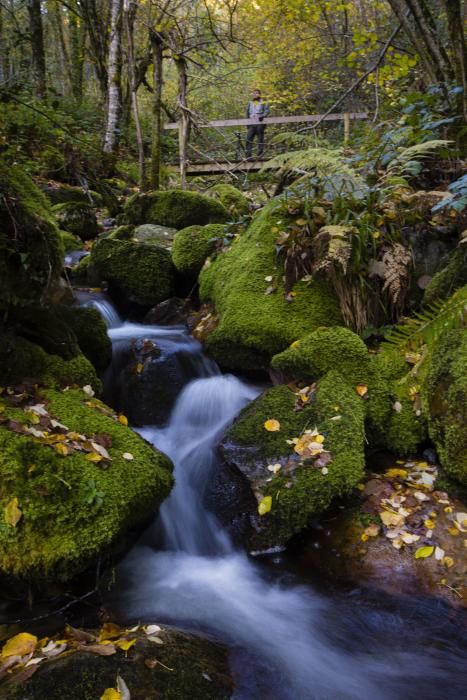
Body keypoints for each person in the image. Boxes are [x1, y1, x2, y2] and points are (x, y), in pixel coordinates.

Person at [245, 89, 270, 159]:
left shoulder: (264, 102)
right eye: (254, 93)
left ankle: (260, 156)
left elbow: (267, 111)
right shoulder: (250, 103)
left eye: (256, 93)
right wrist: (247, 123)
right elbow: (247, 113)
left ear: (259, 94)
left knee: (260, 139)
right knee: (248, 138)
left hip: (260, 123)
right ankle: (248, 156)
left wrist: (262, 116)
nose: (255, 94)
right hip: (251, 124)